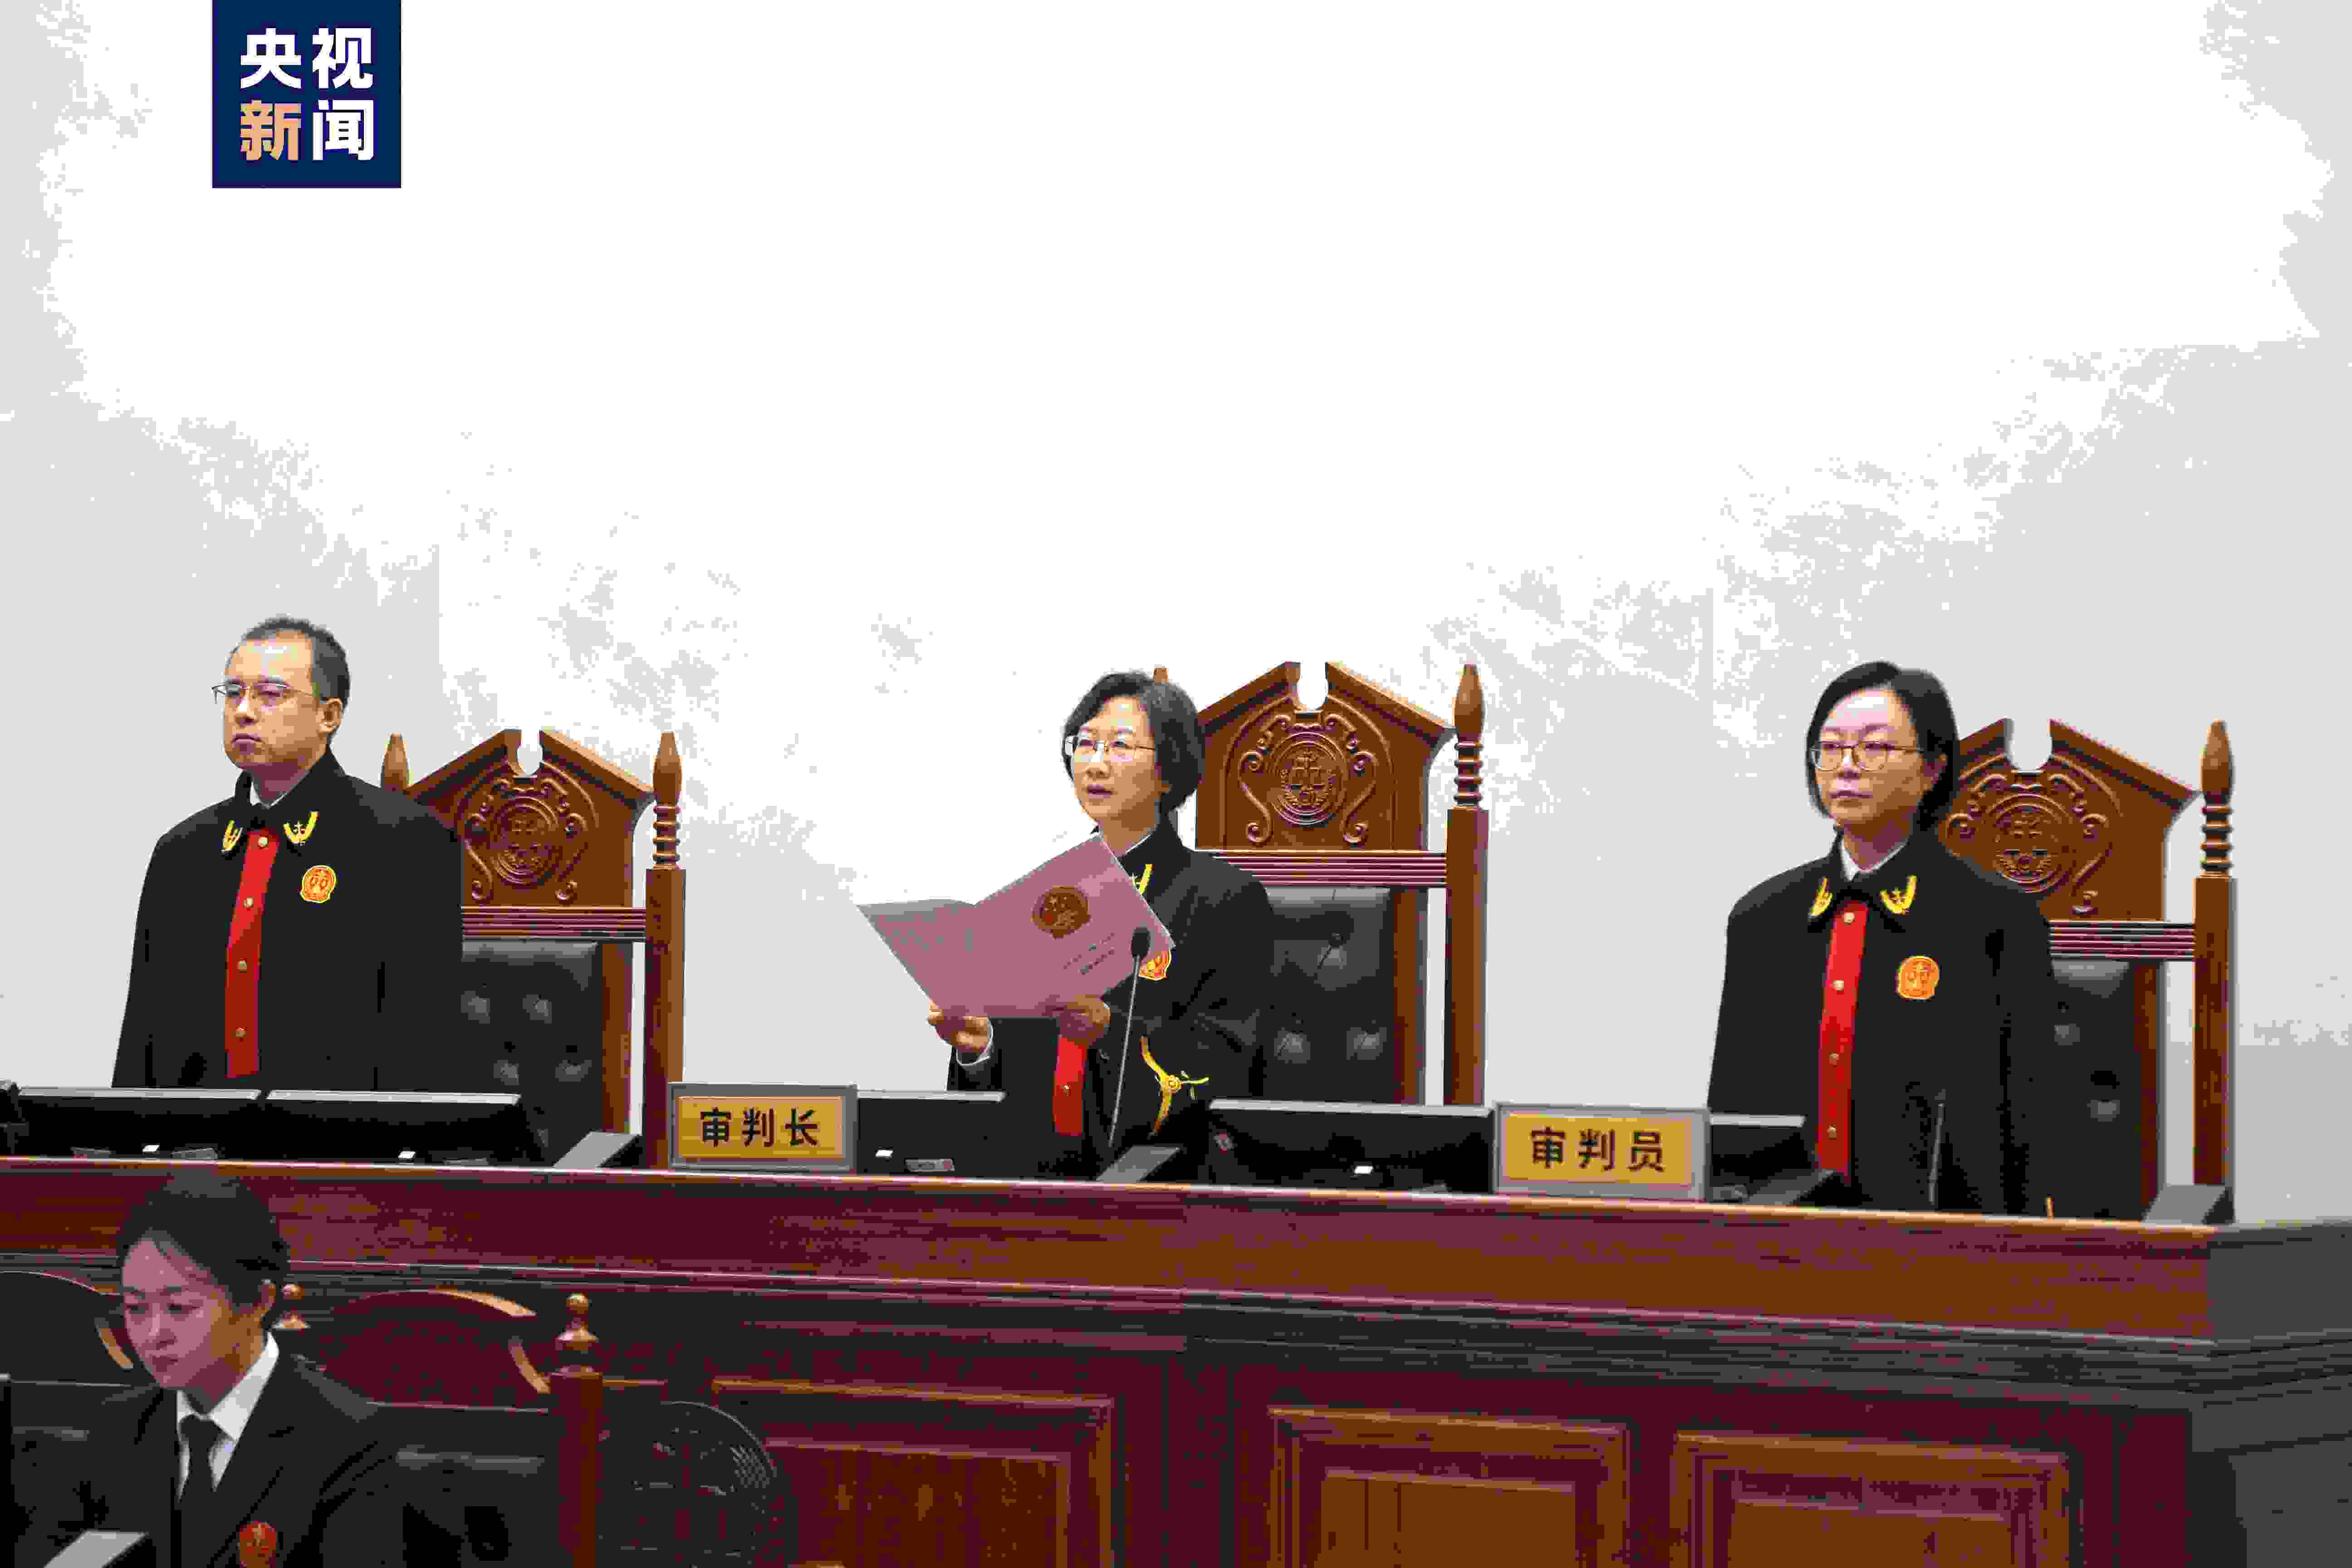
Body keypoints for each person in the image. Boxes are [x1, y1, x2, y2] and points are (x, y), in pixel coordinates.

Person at [1707, 662, 2054, 1214]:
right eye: (1830, 748)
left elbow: (2030, 1121)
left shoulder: (1994, 919)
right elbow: (1733, 1115)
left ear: (1933, 768)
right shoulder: (1764, 919)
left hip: (1938, 1239)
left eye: (1874, 748)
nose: (1846, 766)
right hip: (1781, 1235)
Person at [928, 671, 1275, 1179]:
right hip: (1033, 1171)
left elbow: (1228, 1061)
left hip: (1160, 1174)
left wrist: (1111, 1030)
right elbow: (1019, 1064)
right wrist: (980, 1048)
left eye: (1120, 746)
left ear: (1168, 771)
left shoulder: (1224, 897)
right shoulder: (1042, 895)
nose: (1095, 763)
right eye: (1085, 743)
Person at [114, 617, 462, 1091]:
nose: (243, 711)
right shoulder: (184, 851)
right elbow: (145, 1037)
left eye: (270, 694)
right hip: (197, 1126)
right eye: (233, 693)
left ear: (329, 716)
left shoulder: (402, 841)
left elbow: (422, 1038)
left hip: (340, 1128)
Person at [12, 1172, 424, 1568]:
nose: (153, 1334)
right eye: (136, 1308)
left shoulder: (348, 1437)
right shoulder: (117, 1429)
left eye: (179, 1308)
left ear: (259, 1301)